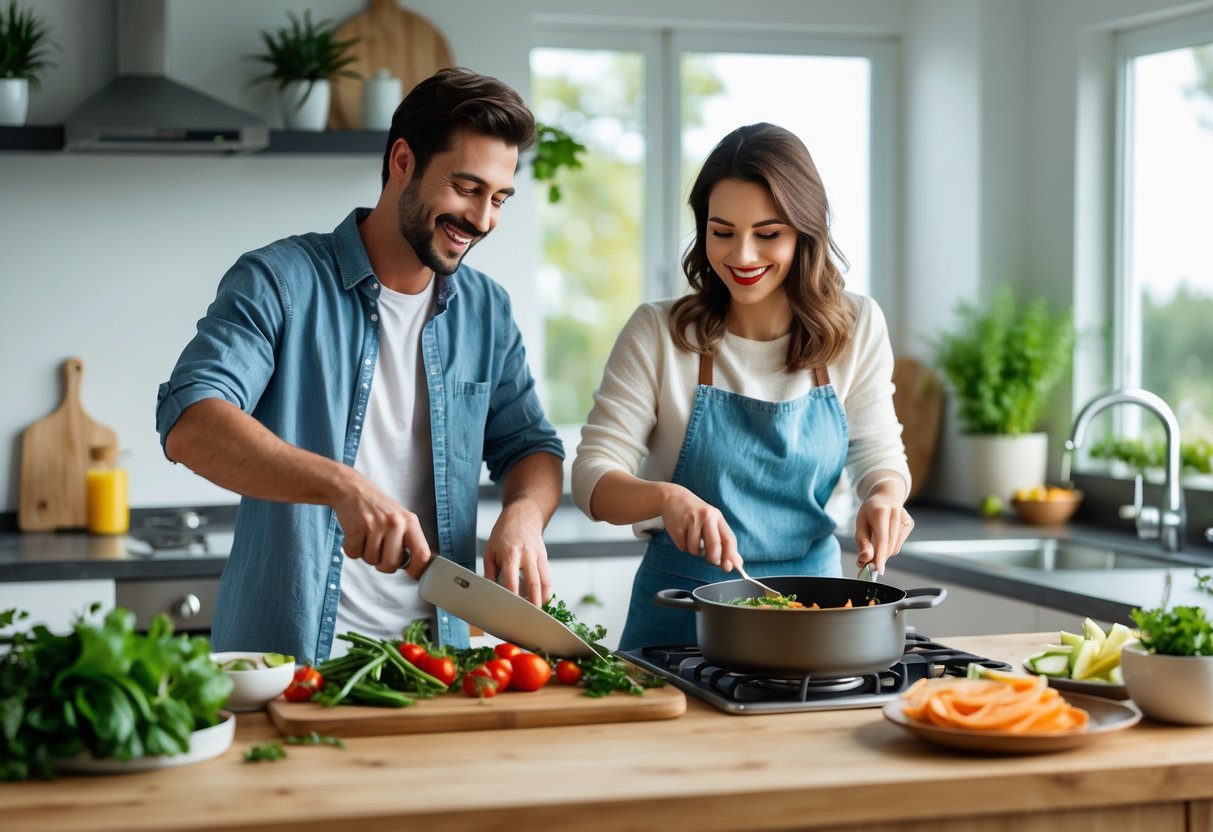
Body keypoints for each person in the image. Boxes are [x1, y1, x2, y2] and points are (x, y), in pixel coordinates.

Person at [156, 68, 564, 662]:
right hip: (291, 666)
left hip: (435, 665)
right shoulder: (279, 281)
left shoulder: (486, 310)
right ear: (403, 161)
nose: (482, 219)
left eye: (498, 198)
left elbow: (531, 446)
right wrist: (343, 488)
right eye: (466, 188)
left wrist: (524, 514)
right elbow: (191, 421)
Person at [571, 122, 914, 650]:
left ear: (805, 231)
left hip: (813, 612)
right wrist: (666, 498)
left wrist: (884, 497)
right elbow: (592, 478)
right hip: (683, 617)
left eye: (768, 233)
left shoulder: (858, 325)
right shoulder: (660, 333)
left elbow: (878, 454)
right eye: (722, 231)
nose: (743, 256)